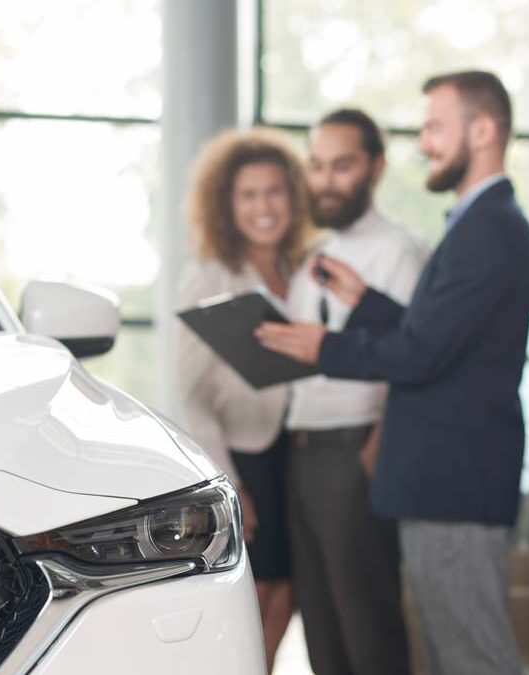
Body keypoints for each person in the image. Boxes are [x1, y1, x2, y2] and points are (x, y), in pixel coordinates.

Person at [256, 71, 529, 675]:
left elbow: (418, 356)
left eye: (436, 127)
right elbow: (434, 336)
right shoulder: (475, 223)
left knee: (471, 656)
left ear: (483, 130)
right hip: (442, 481)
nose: (425, 142)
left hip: (455, 483)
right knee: (450, 654)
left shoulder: (489, 228)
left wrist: (323, 347)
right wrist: (367, 302)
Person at [285, 108, 427, 675]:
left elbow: (417, 357)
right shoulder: (312, 257)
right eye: (317, 165)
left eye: (341, 166)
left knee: (367, 628)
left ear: (376, 167)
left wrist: (380, 443)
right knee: (321, 630)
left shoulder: (400, 251)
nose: (325, 180)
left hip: (354, 452)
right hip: (302, 453)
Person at [174, 127, 311, 672]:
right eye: (248, 195)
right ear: (226, 205)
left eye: (274, 192)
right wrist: (231, 483)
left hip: (296, 452)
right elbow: (193, 395)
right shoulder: (208, 276)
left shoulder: (303, 270)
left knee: (288, 591)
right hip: (245, 454)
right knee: (256, 593)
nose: (263, 207)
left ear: (293, 198)